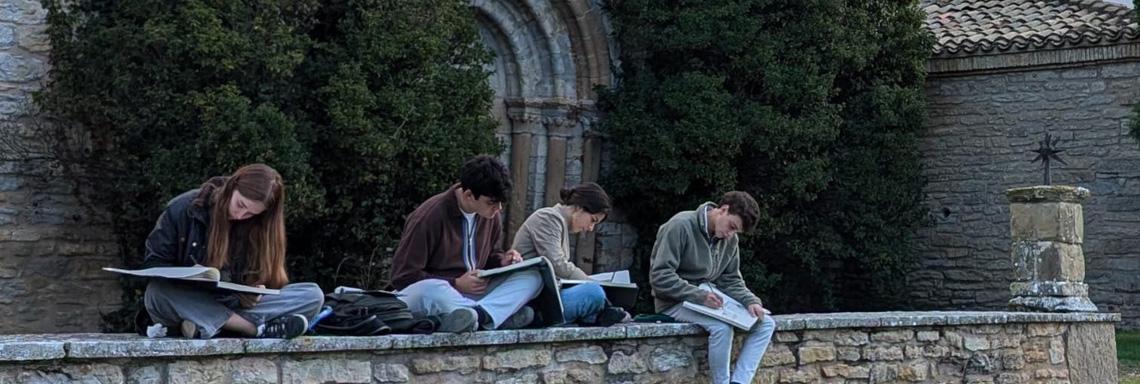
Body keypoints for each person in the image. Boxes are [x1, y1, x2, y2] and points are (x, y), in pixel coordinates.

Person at [142, 164, 324, 339]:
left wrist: (254, 292)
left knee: (312, 295)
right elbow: (154, 263)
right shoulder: (183, 208)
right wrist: (189, 275)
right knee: (157, 292)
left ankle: (207, 325)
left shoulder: (258, 227)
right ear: (232, 186)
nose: (240, 215)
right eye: (240, 204)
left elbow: (259, 282)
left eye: (250, 214)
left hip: (229, 304)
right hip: (187, 299)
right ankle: (252, 330)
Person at [390, 155, 541, 332]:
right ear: (469, 195)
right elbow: (402, 277)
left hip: (472, 294)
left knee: (533, 276)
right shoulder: (429, 217)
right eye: (492, 202)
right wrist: (455, 283)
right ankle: (493, 316)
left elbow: (490, 255)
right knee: (433, 290)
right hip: (437, 295)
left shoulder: (490, 215)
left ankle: (479, 316)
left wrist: (502, 261)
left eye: (501, 203)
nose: (498, 208)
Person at [649, 191, 776, 384]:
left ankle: (740, 382)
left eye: (736, 232)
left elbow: (731, 279)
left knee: (766, 324)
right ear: (723, 209)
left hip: (709, 301)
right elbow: (660, 277)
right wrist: (699, 296)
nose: (731, 234)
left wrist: (750, 301)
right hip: (673, 302)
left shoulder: (730, 240)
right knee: (722, 328)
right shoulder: (680, 225)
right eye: (731, 226)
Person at [512, 182, 629, 326]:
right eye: (592, 220)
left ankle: (598, 314)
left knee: (594, 295)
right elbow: (557, 265)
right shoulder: (548, 218)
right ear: (580, 207)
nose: (590, 228)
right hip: (532, 297)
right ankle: (535, 317)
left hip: (546, 295)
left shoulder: (560, 223)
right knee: (594, 292)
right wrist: (590, 282)